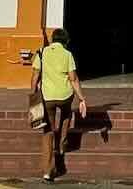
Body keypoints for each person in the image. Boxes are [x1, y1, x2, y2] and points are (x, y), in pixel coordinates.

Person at [32, 28, 88, 181]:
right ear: (66, 41)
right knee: (66, 115)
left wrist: (34, 96)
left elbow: (35, 75)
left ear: (52, 39)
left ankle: (48, 170)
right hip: (65, 96)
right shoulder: (67, 54)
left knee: (48, 132)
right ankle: (62, 146)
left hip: (47, 97)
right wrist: (82, 98)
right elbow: (73, 78)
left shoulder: (41, 52)